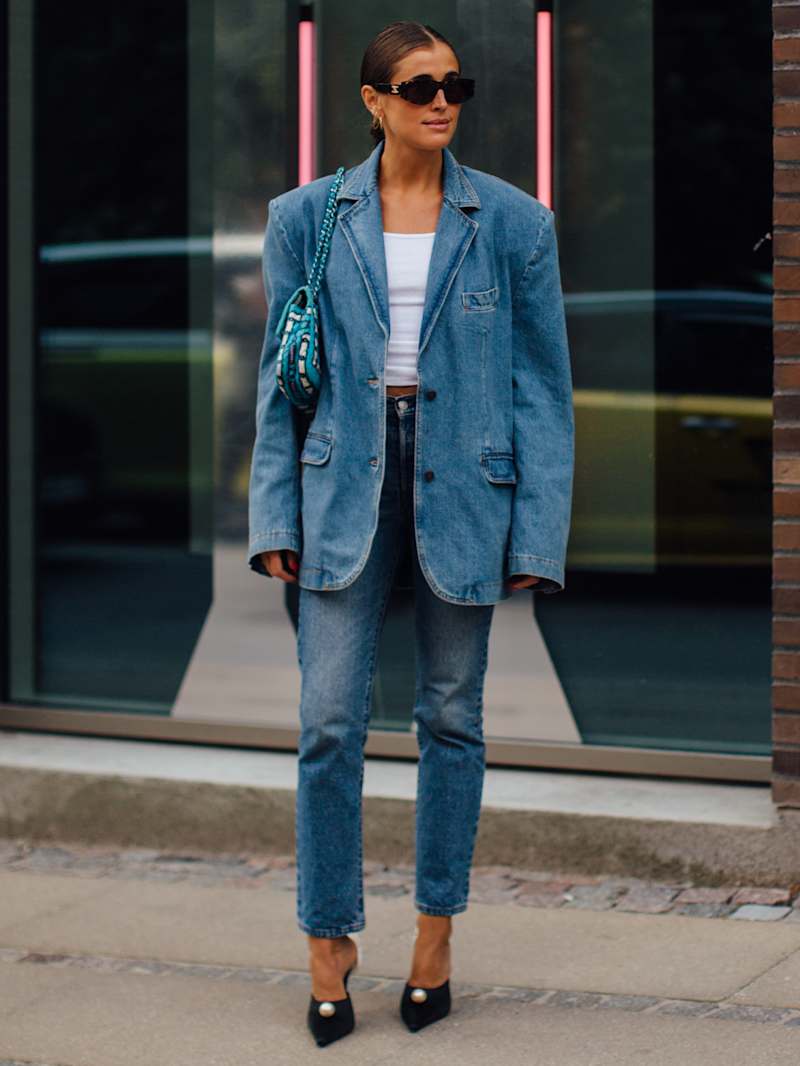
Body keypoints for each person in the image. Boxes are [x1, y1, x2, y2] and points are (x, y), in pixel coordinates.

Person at [247, 19, 574, 1047]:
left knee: (451, 719)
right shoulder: (306, 217)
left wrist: (536, 536)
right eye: (420, 86)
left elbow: (542, 391)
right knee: (327, 722)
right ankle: (327, 942)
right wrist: (272, 515)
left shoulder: (513, 222)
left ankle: (435, 935)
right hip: (341, 478)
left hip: (466, 484)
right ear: (373, 100)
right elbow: (280, 381)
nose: (441, 102)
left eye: (455, 86)